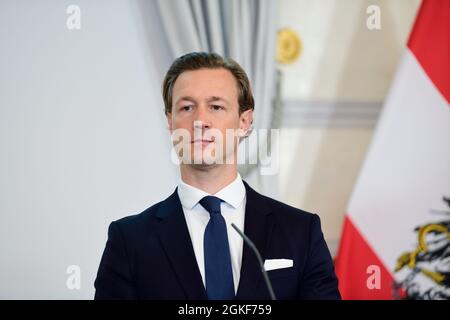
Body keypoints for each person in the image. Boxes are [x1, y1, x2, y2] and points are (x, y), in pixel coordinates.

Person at [94, 52, 341, 300]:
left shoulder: (301, 231)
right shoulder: (129, 241)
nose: (200, 120)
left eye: (216, 106)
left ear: (244, 121)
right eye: (187, 107)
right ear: (170, 121)